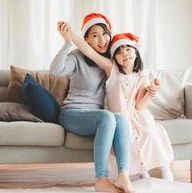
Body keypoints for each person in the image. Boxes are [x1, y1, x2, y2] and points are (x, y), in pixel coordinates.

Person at [68, 30, 175, 181]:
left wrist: (152, 91)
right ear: (115, 58)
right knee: (128, 137)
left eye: (128, 49)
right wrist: (70, 35)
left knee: (150, 132)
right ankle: (142, 172)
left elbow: (140, 105)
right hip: (120, 117)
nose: (125, 54)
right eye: (119, 52)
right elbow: (89, 51)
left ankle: (164, 168)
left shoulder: (141, 77)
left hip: (139, 115)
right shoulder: (112, 71)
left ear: (136, 53)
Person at [50, 13, 134, 193]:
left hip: (95, 116)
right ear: (86, 39)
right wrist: (67, 43)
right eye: (95, 35)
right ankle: (101, 179)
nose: (102, 40)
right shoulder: (77, 56)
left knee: (119, 118)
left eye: (105, 34)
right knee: (107, 117)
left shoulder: (110, 62)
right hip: (72, 113)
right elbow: (55, 72)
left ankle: (123, 176)